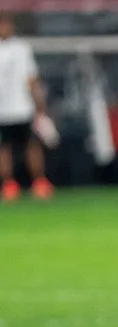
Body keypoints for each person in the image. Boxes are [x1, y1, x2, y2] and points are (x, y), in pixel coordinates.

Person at [0, 12, 54, 201]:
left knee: (32, 145)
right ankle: (9, 184)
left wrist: (39, 104)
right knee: (4, 148)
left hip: (23, 108)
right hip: (2, 110)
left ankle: (39, 182)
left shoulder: (21, 48)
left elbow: (31, 79)